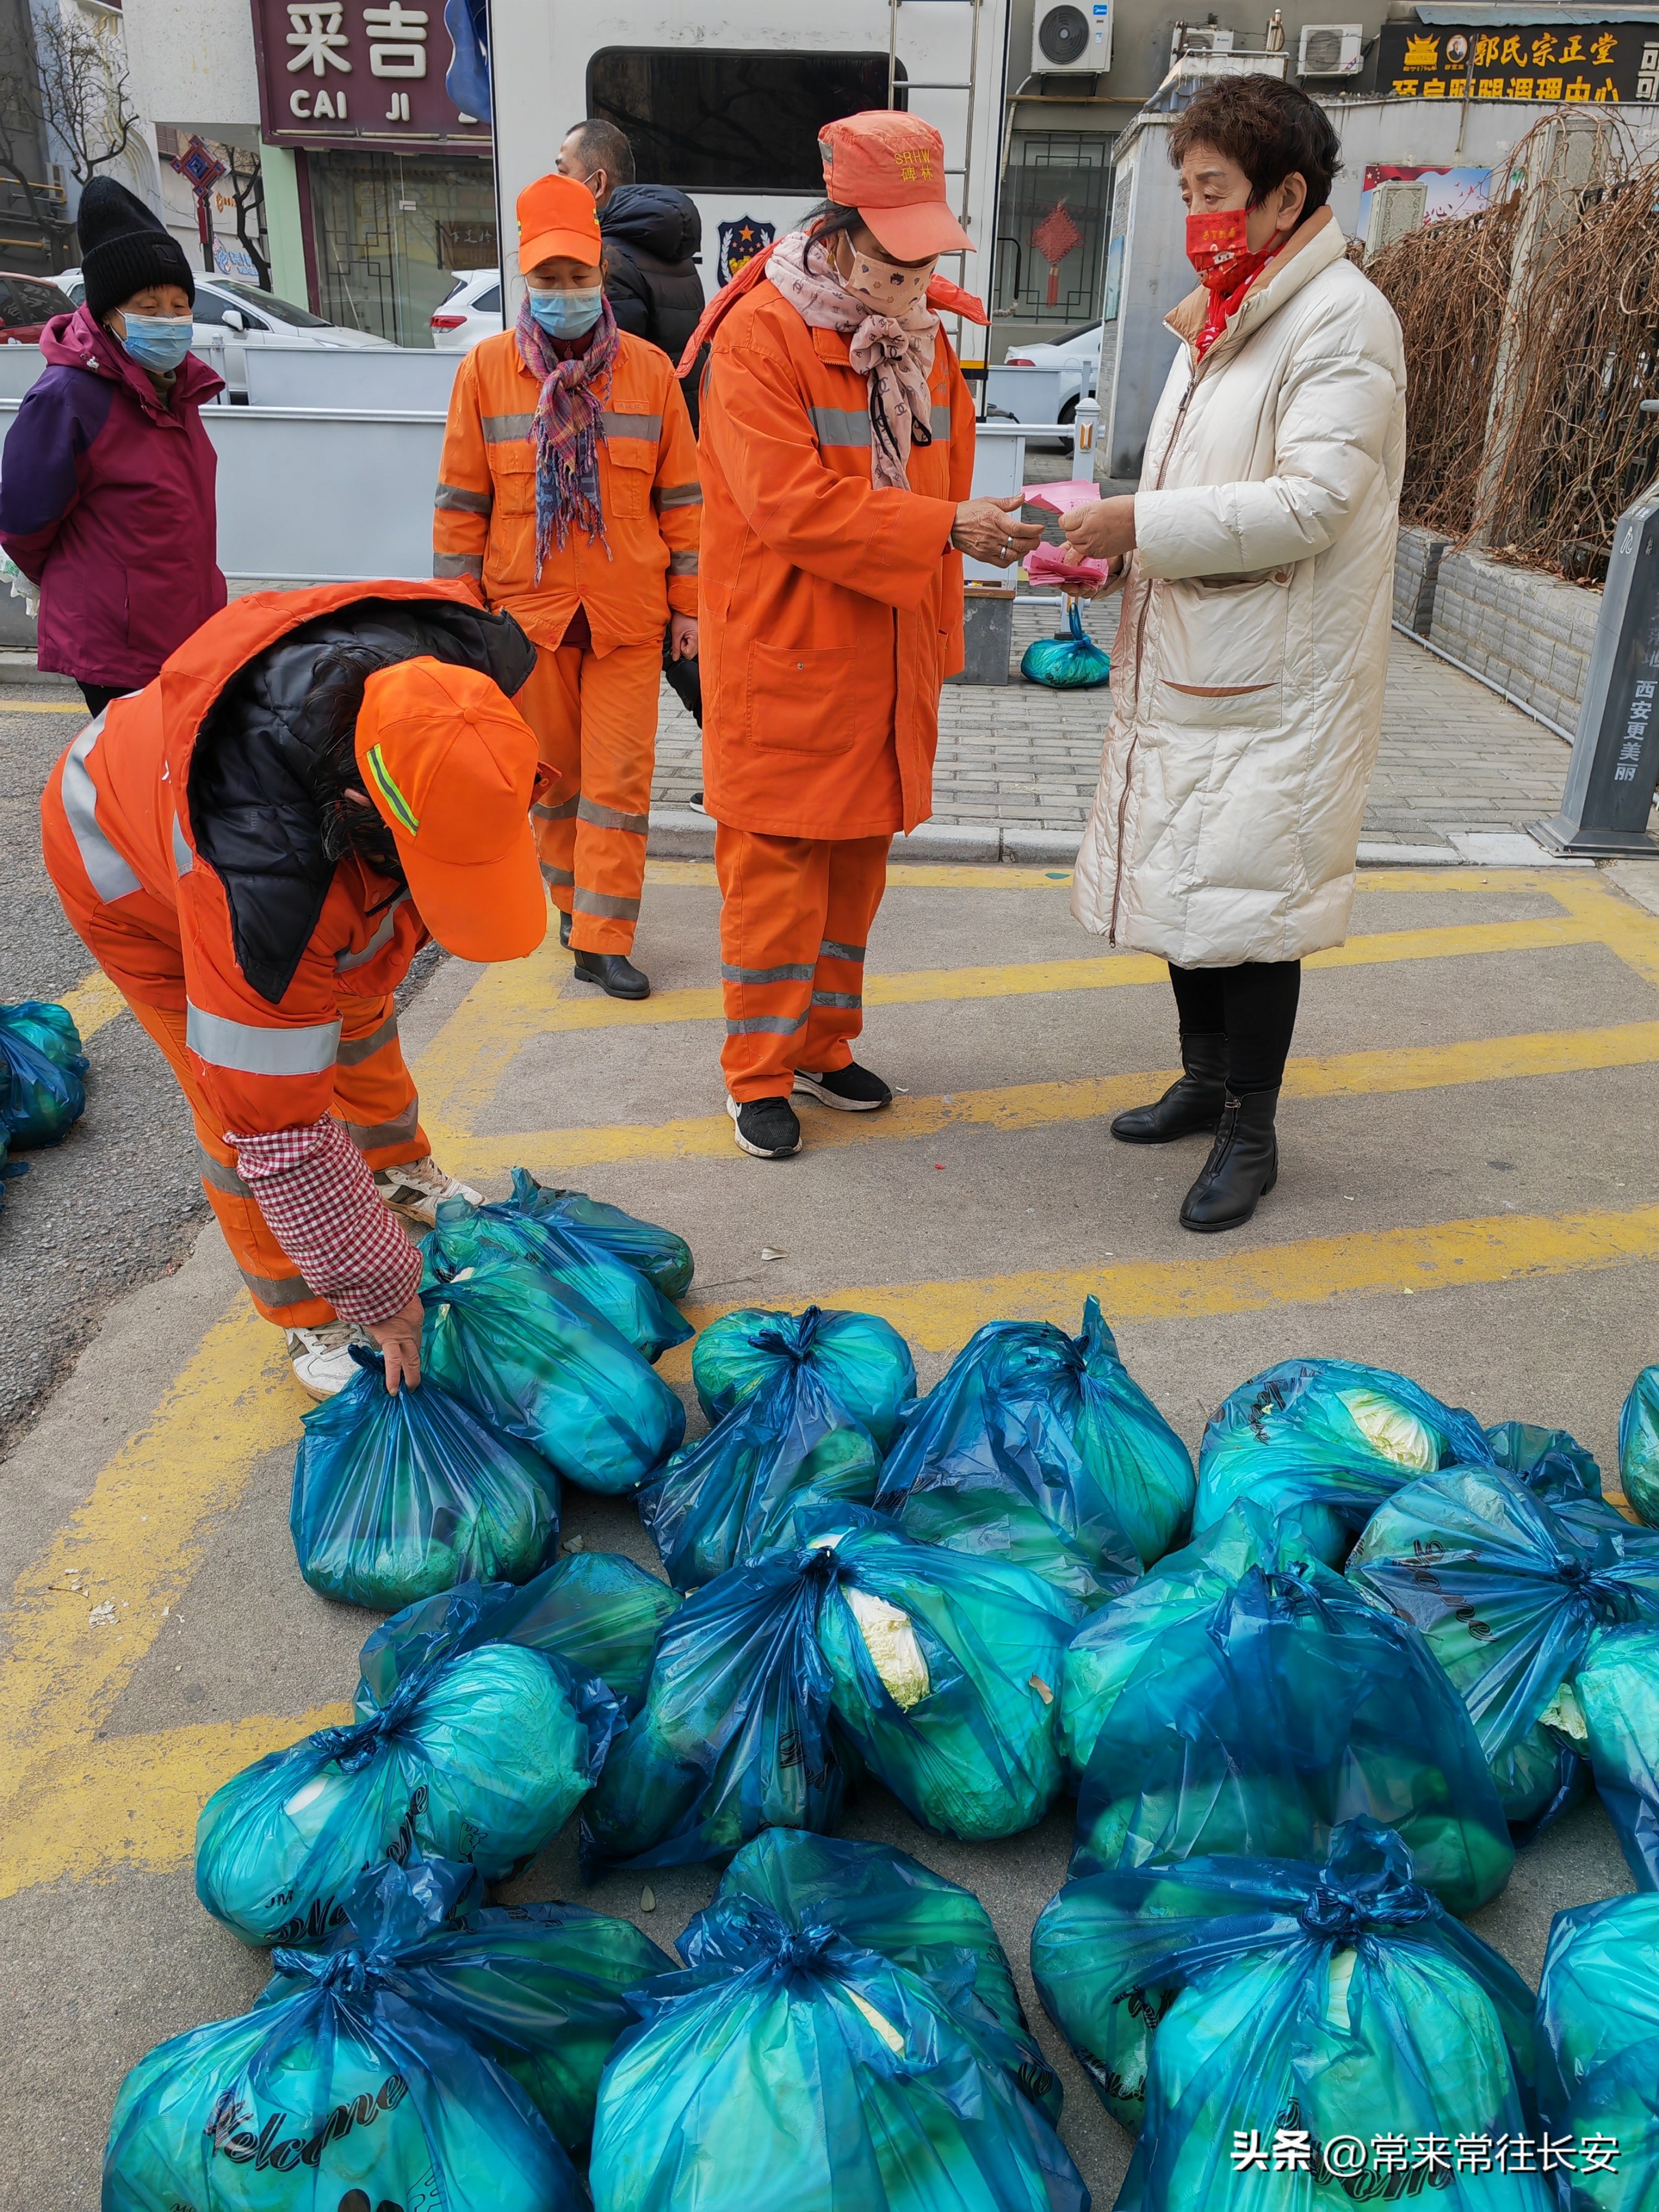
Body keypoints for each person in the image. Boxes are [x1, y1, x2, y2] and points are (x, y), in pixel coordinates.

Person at [39, 582, 546, 1399]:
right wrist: (376, 1290)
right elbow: (276, 1131)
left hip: (273, 814)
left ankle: (394, 1168)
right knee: (236, 1097)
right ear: (359, 813)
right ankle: (307, 1309)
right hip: (125, 865)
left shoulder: (462, 699)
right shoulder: (263, 879)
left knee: (359, 1016)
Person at [1059, 75, 1405, 1233]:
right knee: (1186, 883)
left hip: (1276, 672)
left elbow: (1311, 503)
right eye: (1187, 190)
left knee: (1250, 905)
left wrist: (1139, 526)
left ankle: (1250, 1130)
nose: (1197, 214)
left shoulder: (1339, 319)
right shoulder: (1226, 311)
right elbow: (1199, 482)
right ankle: (1202, 1081)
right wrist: (1119, 542)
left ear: (1283, 196)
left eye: (1213, 190)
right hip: (1199, 651)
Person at [682, 109, 1042, 1160]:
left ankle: (822, 1045)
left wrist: (971, 550)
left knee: (854, 875)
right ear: (838, 236)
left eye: (927, 257)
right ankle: (757, 1072)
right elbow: (787, 504)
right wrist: (945, 529)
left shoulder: (920, 337)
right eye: (896, 254)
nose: (914, 275)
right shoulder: (760, 334)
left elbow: (945, 478)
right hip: (788, 652)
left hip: (883, 654)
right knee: (775, 878)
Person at [434, 172, 699, 1002]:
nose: (564, 291)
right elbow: (461, 504)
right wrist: (459, 615)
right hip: (526, 619)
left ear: (601, 276)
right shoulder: (484, 372)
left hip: (628, 618)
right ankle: (570, 903)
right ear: (526, 279)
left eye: (577, 276)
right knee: (550, 782)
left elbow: (684, 502)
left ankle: (602, 938)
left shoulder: (651, 373)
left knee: (618, 785)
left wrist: (690, 608)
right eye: (547, 278)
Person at [0, 178, 225, 718]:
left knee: (178, 759)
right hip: (117, 640)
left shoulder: (176, 387)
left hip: (183, 628)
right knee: (134, 765)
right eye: (149, 306)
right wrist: (93, 586)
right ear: (107, 315)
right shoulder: (68, 396)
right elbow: (26, 521)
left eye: (179, 306)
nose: (169, 320)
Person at [556, 118, 706, 414]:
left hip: (637, 432)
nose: (555, 185)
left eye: (563, 172)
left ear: (597, 184)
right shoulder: (670, 249)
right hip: (680, 422)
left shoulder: (609, 261)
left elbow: (612, 376)